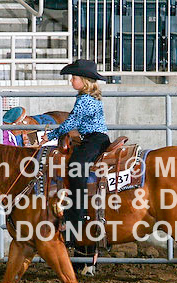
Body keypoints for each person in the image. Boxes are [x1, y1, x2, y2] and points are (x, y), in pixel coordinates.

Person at [41, 59, 110, 243]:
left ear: (84, 81)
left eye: (74, 77)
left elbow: (71, 122)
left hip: (94, 139)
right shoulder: (88, 97)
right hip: (95, 138)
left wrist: (51, 136)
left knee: (76, 167)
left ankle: (77, 215)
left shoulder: (84, 100)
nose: (71, 80)